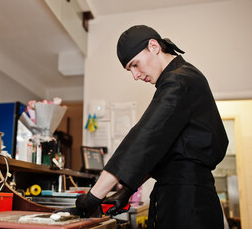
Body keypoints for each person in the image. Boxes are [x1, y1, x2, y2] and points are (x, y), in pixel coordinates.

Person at [75, 25, 229, 228]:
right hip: (184, 197)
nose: (135, 75)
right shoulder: (182, 78)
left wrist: (93, 197)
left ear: (154, 46)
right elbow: (160, 151)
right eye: (130, 69)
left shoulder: (179, 81)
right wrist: (127, 190)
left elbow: (143, 139)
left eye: (135, 65)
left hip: (188, 204)